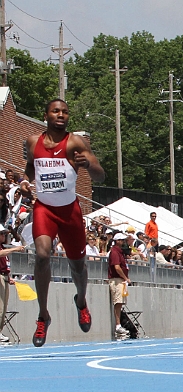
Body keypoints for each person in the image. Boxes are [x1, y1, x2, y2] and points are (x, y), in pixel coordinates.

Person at [21, 99, 105, 347]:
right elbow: (30, 168)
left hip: (70, 212)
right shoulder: (32, 141)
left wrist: (87, 165)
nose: (61, 115)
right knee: (43, 255)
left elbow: (100, 175)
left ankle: (81, 301)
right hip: (44, 209)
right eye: (56, 111)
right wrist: (26, 182)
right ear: (46, 114)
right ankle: (43, 315)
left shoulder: (76, 142)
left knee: (78, 267)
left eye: (65, 112)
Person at [0, 224, 26, 343]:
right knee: (0, 306)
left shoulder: (2, 247)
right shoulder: (3, 249)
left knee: (4, 307)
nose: (4, 236)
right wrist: (15, 249)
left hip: (4, 276)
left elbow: (5, 263)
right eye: (2, 234)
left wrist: (9, 277)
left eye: (5, 234)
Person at [108, 233, 131, 338]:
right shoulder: (114, 252)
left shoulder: (120, 252)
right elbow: (117, 267)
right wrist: (125, 278)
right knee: (118, 302)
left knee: (121, 302)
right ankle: (117, 325)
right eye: (121, 240)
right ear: (117, 241)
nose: (123, 242)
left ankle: (119, 324)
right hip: (117, 280)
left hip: (121, 280)